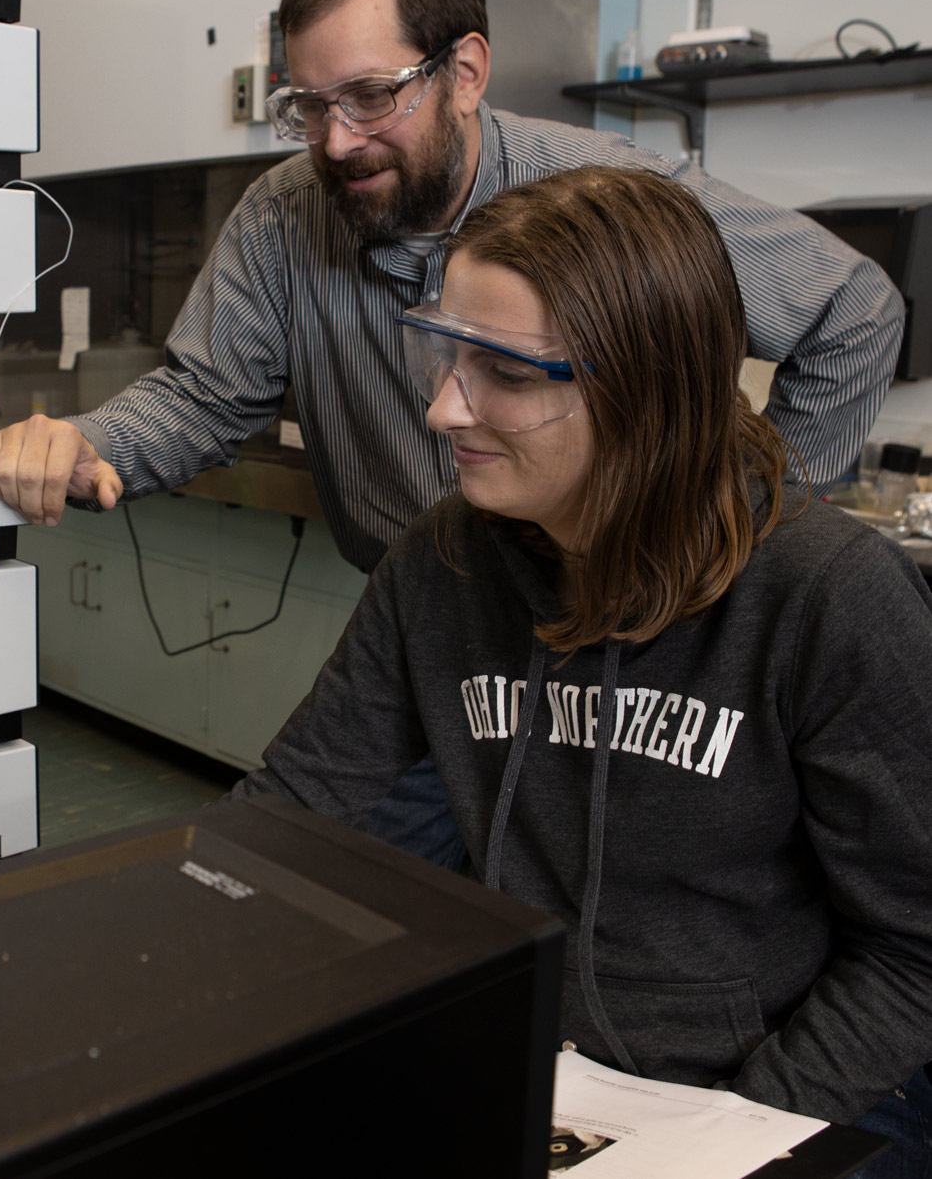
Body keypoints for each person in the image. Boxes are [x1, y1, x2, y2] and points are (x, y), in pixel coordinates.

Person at [0, 0, 904, 865]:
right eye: (308, 106)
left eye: (372, 97)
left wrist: (737, 539)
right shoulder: (285, 216)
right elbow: (209, 394)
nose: (336, 141)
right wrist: (92, 444)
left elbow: (856, 310)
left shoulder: (611, 207)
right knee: (342, 901)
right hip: (432, 632)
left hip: (621, 648)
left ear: (464, 72)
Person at [232, 166, 932, 1176]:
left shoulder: (825, 595)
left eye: (505, 374)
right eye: (443, 353)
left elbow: (917, 950)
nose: (439, 409)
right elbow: (291, 816)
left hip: (801, 1088)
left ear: (648, 391)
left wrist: (733, 1133)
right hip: (561, 1071)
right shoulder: (445, 560)